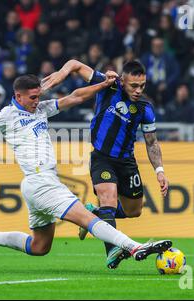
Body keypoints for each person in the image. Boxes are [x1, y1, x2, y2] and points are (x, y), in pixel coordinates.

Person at [0, 73, 172, 264]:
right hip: (40, 182)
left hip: (38, 184)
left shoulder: (40, 108)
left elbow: (75, 97)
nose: (36, 101)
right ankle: (135, 247)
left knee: (39, 246)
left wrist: (102, 85)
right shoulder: (6, 116)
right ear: (18, 96)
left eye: (38, 96)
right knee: (89, 220)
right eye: (32, 97)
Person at [42, 59, 170, 269]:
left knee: (133, 211)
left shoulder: (145, 109)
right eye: (134, 86)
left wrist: (160, 171)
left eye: (142, 86)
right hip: (102, 158)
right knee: (108, 200)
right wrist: (61, 74)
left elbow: (152, 142)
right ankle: (112, 251)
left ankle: (95, 212)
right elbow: (75, 64)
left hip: (126, 161)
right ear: (122, 81)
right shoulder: (107, 85)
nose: (138, 90)